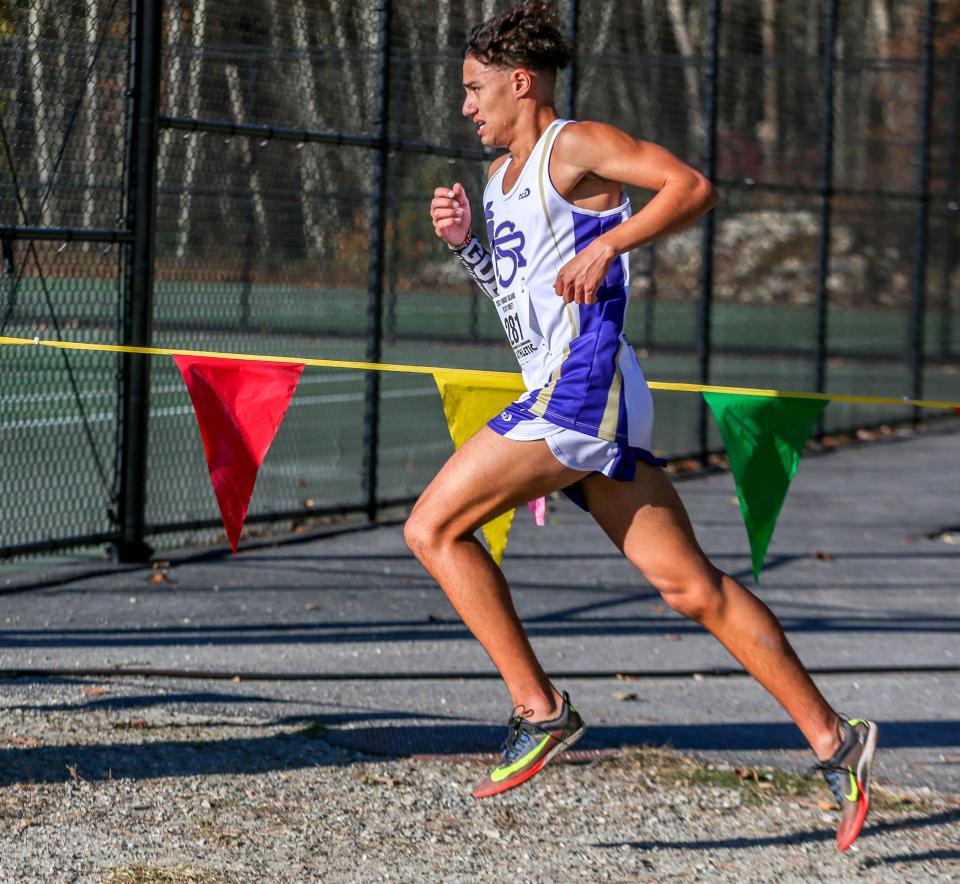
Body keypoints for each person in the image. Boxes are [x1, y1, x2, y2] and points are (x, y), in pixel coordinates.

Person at [411, 0, 877, 851]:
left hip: (584, 390)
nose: (467, 106)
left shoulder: (574, 144)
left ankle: (539, 708)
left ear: (523, 84)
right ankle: (838, 742)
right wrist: (469, 249)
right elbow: (525, 311)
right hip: (574, 388)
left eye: (477, 89)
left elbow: (695, 188)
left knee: (432, 528)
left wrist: (612, 242)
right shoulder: (498, 180)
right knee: (689, 587)